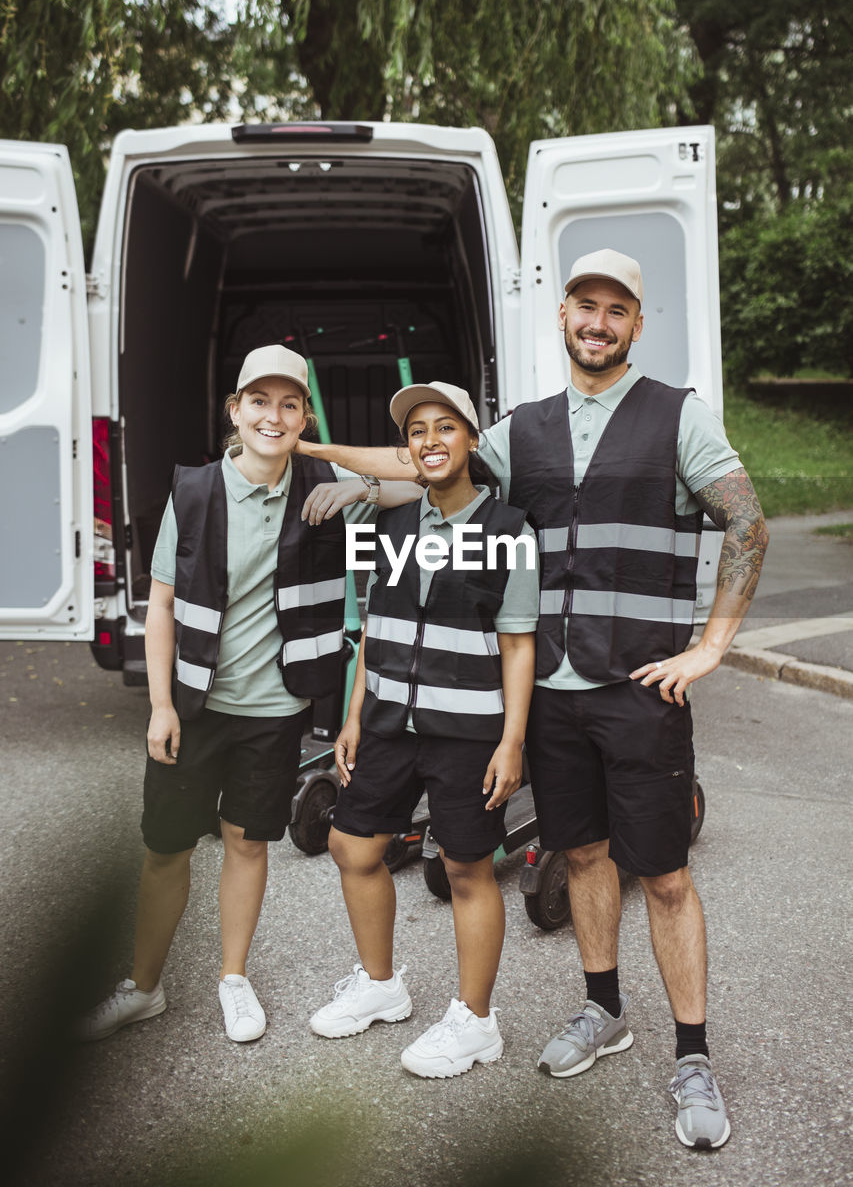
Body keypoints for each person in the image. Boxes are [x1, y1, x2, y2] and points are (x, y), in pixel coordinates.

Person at [297, 249, 769, 1147]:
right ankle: (602, 1009)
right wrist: (330, 462)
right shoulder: (522, 429)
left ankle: (693, 1056)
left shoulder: (678, 416)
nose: (597, 322)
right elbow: (426, 461)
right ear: (561, 316)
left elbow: (744, 520)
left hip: (639, 687)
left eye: (615, 310)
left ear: (635, 323)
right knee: (582, 855)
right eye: (583, 306)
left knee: (664, 876)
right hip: (549, 691)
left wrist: (711, 647)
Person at [76, 345, 418, 1044]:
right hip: (196, 705)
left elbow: (426, 474)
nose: (274, 415)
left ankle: (233, 978)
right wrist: (162, 705)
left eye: (289, 403)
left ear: (304, 415)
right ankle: (144, 988)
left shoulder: (323, 492)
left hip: (275, 709)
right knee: (165, 848)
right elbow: (163, 605)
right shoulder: (195, 491)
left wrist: (351, 482)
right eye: (259, 402)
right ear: (235, 411)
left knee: (246, 842)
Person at [308, 382, 538, 1078]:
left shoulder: (509, 532)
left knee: (466, 869)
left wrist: (511, 740)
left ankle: (475, 1022)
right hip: (385, 723)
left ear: (471, 441)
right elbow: (374, 628)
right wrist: (352, 717)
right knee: (352, 847)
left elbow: (518, 643)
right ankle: (381, 987)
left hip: (468, 730)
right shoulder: (396, 528)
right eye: (417, 431)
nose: (430, 440)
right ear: (407, 450)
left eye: (445, 427)